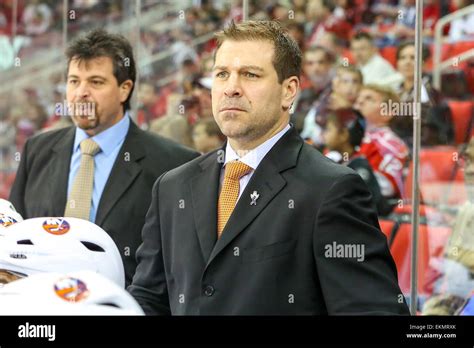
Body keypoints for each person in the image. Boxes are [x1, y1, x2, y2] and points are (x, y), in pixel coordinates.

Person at [129, 20, 409, 316]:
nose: (231, 89)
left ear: (289, 91)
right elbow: (150, 299)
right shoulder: (172, 187)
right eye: (222, 74)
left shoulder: (332, 190)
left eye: (250, 75)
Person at [8, 29, 199, 286]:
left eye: (95, 82)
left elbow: (177, 267)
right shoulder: (36, 150)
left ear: (124, 89)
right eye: (74, 81)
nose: (81, 92)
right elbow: (13, 241)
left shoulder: (174, 164)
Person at [323, 109, 392, 216]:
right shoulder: (338, 163)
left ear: (344, 135)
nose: (323, 134)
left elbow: (367, 208)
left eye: (328, 129)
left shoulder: (359, 167)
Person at [354, 84, 409, 201]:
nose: (360, 102)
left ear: (388, 112)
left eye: (369, 98)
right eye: (359, 98)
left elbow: (389, 187)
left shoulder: (391, 144)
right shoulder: (357, 137)